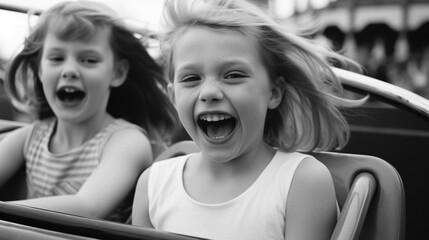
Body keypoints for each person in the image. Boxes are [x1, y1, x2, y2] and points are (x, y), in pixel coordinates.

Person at [132, 0, 365, 239]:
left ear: (274, 93)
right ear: (173, 96)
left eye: (233, 75)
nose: (209, 92)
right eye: (191, 78)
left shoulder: (301, 182)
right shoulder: (153, 185)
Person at [0, 0, 177, 222]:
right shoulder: (30, 138)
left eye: (89, 60)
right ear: (40, 70)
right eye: (56, 58)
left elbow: (88, 208)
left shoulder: (126, 141)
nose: (70, 70)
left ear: (117, 73)